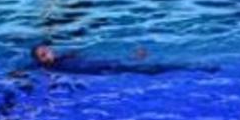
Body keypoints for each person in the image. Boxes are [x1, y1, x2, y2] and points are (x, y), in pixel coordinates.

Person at [30, 44, 217, 75]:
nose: (48, 53)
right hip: (106, 71)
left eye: (47, 50)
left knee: (145, 66)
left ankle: (197, 67)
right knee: (155, 69)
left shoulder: (62, 58)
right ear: (40, 60)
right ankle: (198, 68)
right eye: (43, 54)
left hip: (109, 65)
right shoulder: (48, 68)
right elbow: (29, 69)